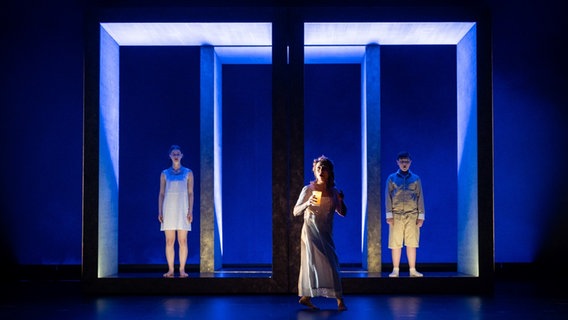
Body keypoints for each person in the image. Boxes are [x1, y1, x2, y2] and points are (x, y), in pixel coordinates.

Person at [293, 155, 348, 311]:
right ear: (314, 171)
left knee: (331, 262)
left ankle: (308, 298)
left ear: (330, 172)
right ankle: (338, 301)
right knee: (313, 264)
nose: (321, 171)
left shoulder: (333, 191)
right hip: (311, 231)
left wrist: (341, 200)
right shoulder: (308, 189)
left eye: (324, 168)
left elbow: (342, 212)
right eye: (319, 168)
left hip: (325, 233)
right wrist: (307, 203)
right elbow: (295, 211)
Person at [385, 151, 425, 278]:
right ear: (397, 162)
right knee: (395, 243)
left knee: (412, 242)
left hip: (412, 215)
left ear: (410, 162)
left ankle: (412, 270)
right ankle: (395, 269)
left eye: (406, 161)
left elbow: (420, 197)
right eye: (402, 161)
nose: (404, 164)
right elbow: (388, 197)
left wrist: (421, 215)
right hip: (396, 216)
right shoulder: (391, 178)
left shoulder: (416, 179)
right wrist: (389, 215)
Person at [158, 145, 194, 278]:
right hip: (169, 209)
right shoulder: (165, 173)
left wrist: (190, 210)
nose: (176, 155)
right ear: (170, 156)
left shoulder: (188, 173)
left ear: (182, 155)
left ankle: (182, 269)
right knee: (169, 241)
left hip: (183, 208)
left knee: (183, 240)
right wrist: (160, 211)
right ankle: (171, 270)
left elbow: (191, 193)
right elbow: (161, 193)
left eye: (178, 153)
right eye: (174, 153)